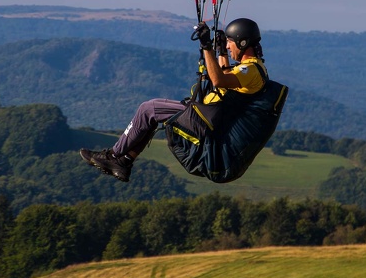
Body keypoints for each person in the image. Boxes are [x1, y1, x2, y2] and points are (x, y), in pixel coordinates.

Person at [80, 17, 268, 182]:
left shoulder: (249, 71)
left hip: (205, 122)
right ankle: (124, 161)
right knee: (154, 115)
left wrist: (207, 47)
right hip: (210, 117)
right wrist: (221, 53)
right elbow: (225, 80)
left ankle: (113, 156)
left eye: (229, 42)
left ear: (242, 43)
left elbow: (218, 79)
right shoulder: (253, 69)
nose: (227, 45)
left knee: (149, 108)